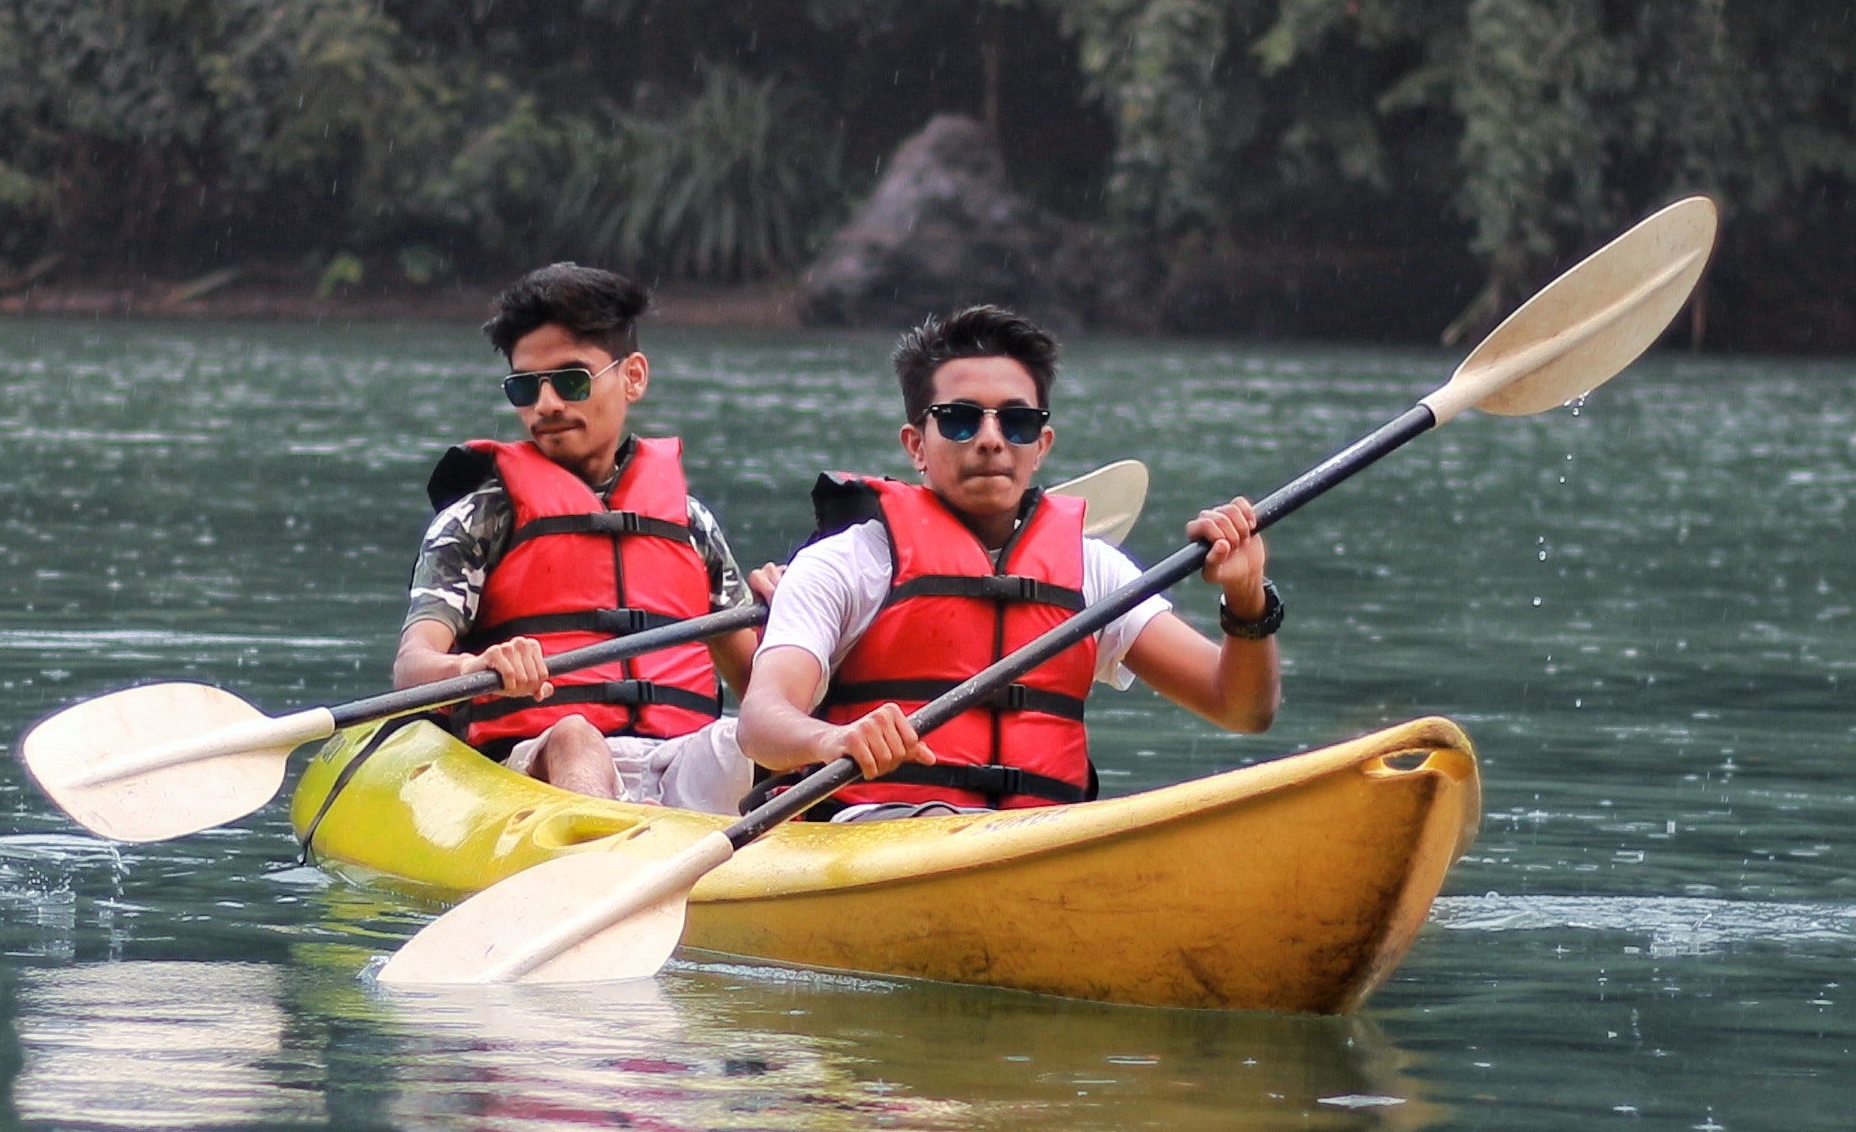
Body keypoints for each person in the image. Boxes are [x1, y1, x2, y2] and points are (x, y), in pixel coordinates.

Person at [740, 301, 1278, 813]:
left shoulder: (1094, 570)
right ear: (915, 445)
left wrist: (1247, 599)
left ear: (1041, 445)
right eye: (959, 419)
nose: (991, 440)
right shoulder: (845, 564)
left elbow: (1241, 707)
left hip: (1041, 834)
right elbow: (761, 724)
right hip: (879, 833)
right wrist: (833, 739)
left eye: (1015, 423)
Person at [395, 263, 760, 809]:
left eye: (571, 380)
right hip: (537, 766)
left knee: (753, 741)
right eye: (525, 386)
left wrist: (794, 625)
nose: (546, 405)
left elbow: (760, 685)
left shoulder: (690, 525)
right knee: (576, 736)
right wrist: (477, 667)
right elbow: (412, 670)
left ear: (633, 377)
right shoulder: (480, 519)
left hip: (680, 756)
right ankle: (596, 853)